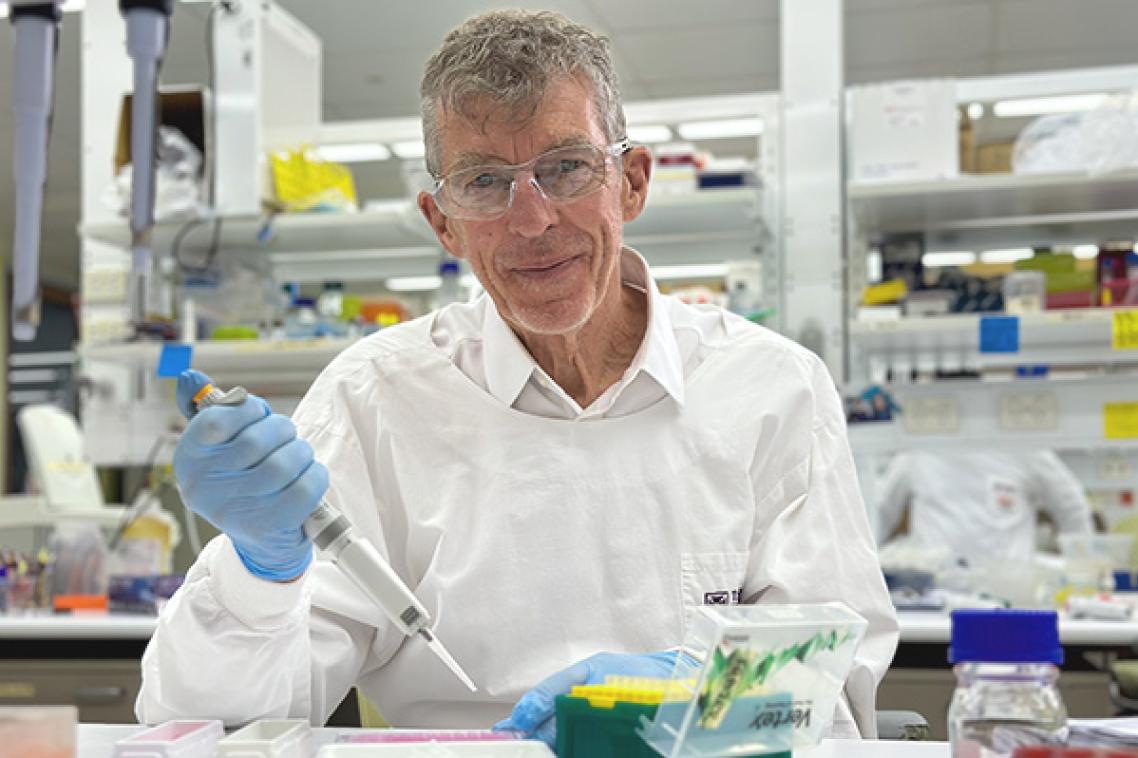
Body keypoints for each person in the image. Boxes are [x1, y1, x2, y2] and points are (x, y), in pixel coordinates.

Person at [136, 10, 898, 744]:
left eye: (565, 168)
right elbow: (209, 722)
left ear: (631, 181)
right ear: (443, 222)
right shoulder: (375, 397)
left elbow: (836, 689)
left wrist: (707, 696)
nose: (530, 219)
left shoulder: (773, 389)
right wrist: (256, 572)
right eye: (484, 182)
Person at [875, 449, 1094, 564]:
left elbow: (1072, 507)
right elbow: (878, 512)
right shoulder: (918, 451)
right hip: (933, 601)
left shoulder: (1024, 448)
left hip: (1010, 600)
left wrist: (1083, 571)